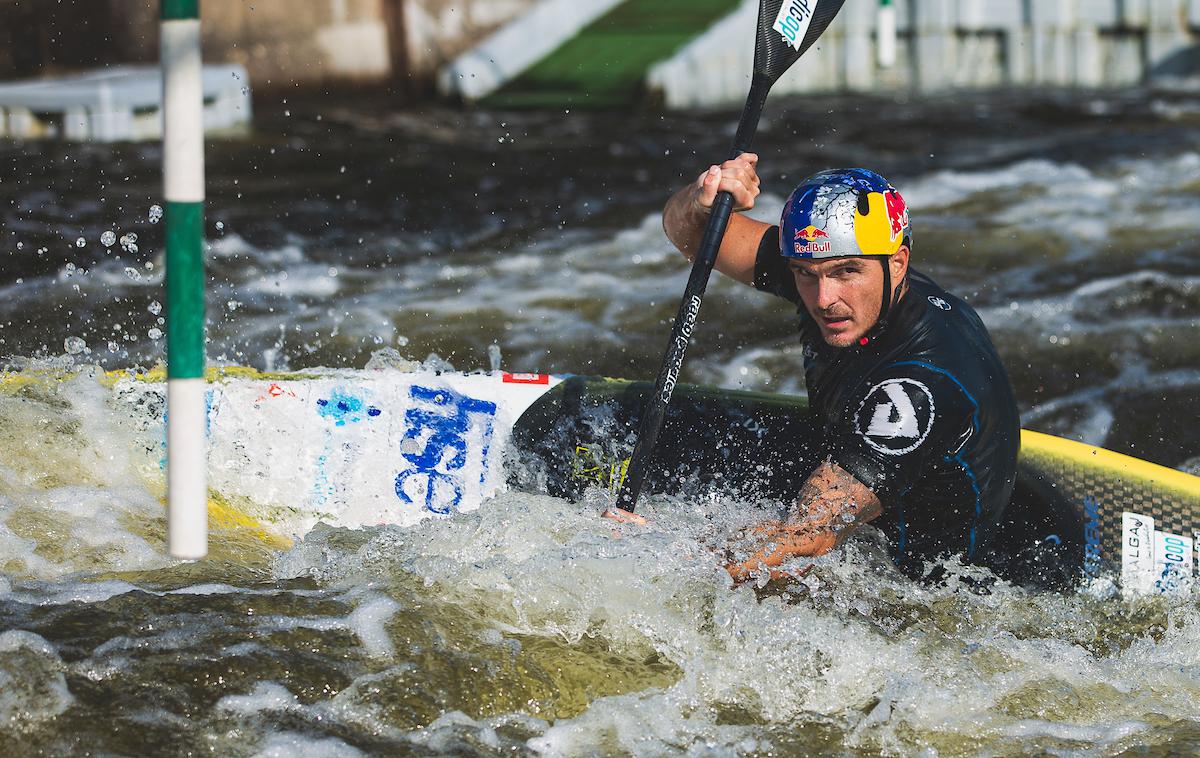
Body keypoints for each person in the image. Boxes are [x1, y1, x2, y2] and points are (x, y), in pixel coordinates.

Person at [616, 154, 1072, 589]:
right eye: (804, 274)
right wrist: (704, 197)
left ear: (898, 262)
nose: (823, 298)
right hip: (856, 463)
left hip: (915, 586)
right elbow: (695, 237)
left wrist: (652, 554)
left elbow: (804, 538)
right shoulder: (837, 269)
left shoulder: (918, 389)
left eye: (845, 272)